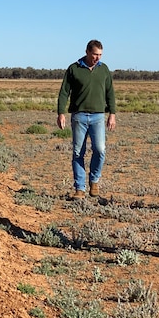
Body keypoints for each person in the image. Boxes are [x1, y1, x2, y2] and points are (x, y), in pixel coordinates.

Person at [57, 39, 117, 199]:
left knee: (100, 150)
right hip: (79, 116)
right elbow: (64, 92)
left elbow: (110, 92)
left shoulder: (104, 70)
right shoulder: (74, 69)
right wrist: (60, 113)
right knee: (78, 152)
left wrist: (112, 113)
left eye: (100, 55)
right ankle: (80, 188)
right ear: (87, 52)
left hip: (98, 116)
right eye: (95, 54)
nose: (98, 58)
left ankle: (94, 181)